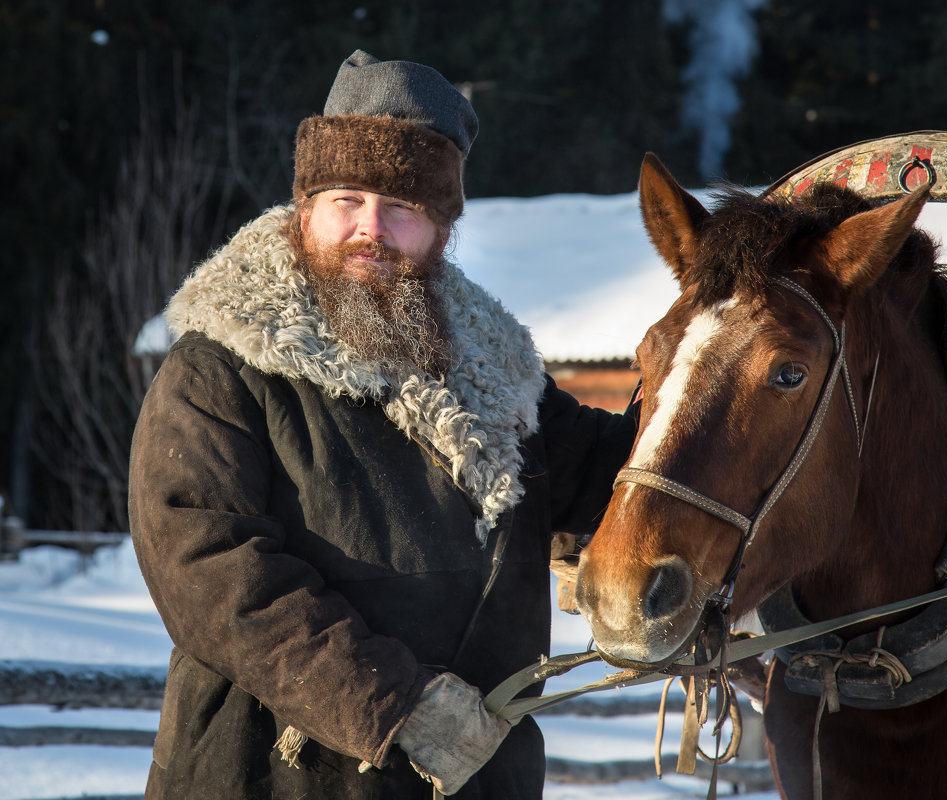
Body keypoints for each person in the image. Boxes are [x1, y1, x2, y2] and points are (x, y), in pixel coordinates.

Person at [128, 49, 637, 799]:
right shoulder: (221, 368)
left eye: (403, 208)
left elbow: (615, 478)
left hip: (480, 775)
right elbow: (212, 571)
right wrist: (392, 703)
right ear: (306, 212)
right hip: (276, 774)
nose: (373, 229)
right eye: (348, 201)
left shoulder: (497, 375)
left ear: (440, 231)